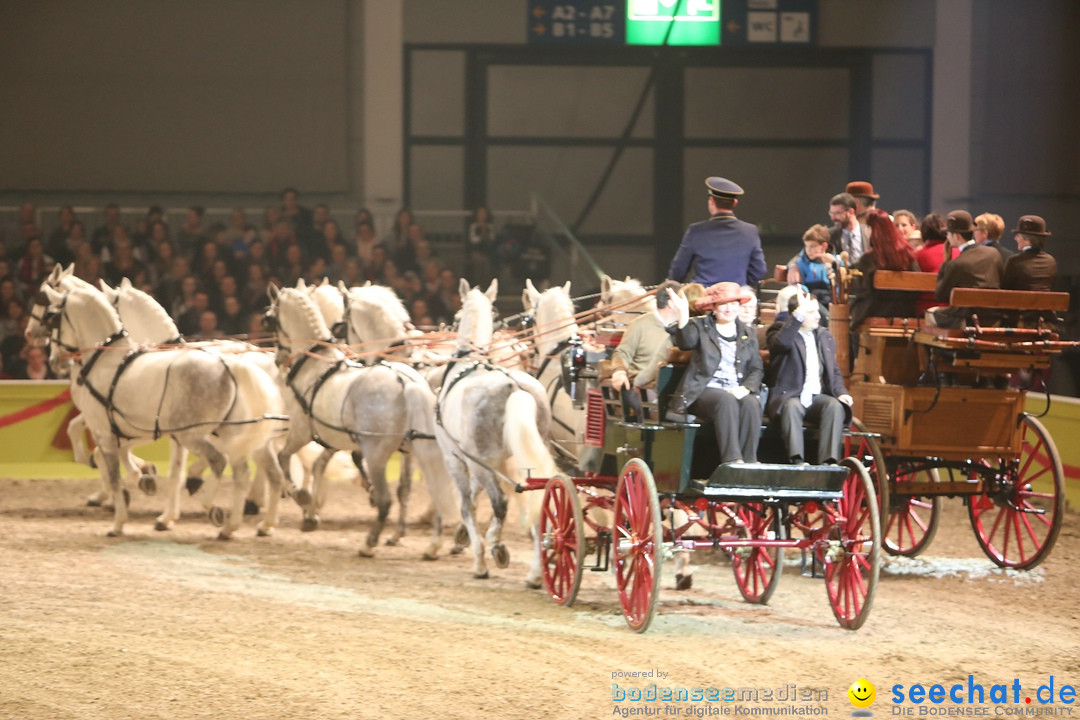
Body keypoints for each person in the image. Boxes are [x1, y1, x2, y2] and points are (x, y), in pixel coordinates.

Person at [663, 281, 764, 464]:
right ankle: (732, 460)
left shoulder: (748, 333)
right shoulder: (702, 326)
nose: (729, 308)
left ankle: (750, 461)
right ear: (714, 307)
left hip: (736, 389)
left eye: (734, 304)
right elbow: (685, 342)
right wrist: (683, 313)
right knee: (726, 400)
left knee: (751, 402)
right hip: (703, 391)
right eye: (724, 304)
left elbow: (757, 368)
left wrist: (747, 388)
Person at [766, 290, 853, 465]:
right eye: (811, 312)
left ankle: (828, 462)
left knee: (835, 406)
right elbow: (781, 344)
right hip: (790, 395)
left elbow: (833, 370)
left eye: (817, 311)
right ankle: (797, 461)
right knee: (792, 407)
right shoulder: (779, 331)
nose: (818, 316)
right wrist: (798, 315)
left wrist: (841, 392)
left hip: (816, 396)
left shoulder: (824, 336)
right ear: (795, 315)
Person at [667, 177, 767, 288]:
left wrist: (672, 284)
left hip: (703, 299)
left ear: (711, 201)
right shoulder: (750, 231)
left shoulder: (695, 231)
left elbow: (679, 269)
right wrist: (741, 286)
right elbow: (759, 271)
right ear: (735, 203)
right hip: (735, 298)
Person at [926, 210, 1003, 328]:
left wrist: (946, 262)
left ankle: (938, 347)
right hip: (993, 317)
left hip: (966, 319)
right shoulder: (993, 253)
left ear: (956, 236)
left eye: (948, 233)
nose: (947, 237)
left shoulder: (956, 264)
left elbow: (941, 295)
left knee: (930, 313)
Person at [848, 209, 921, 330]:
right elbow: (917, 284)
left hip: (875, 312)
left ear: (871, 229)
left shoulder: (869, 259)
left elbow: (860, 289)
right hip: (906, 312)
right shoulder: (907, 254)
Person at [610, 280, 683, 393]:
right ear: (671, 303)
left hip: (674, 386)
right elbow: (622, 352)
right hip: (644, 388)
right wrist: (619, 372)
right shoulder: (639, 325)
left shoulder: (684, 328)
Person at [785, 224, 837, 307]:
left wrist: (834, 264)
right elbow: (800, 287)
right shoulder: (802, 263)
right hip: (810, 301)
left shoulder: (834, 261)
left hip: (832, 301)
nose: (808, 250)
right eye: (806, 246)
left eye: (812, 246)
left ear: (824, 246)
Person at [1002, 215, 1056, 292]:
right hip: (1046, 303)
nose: (1015, 238)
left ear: (1028, 240)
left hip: (1019, 303)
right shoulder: (1051, 261)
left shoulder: (1015, 261)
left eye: (1018, 235)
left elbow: (1005, 289)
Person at [828, 192, 867, 264]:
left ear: (851, 212)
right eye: (831, 213)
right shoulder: (829, 235)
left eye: (837, 213)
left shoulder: (868, 232)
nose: (833, 218)